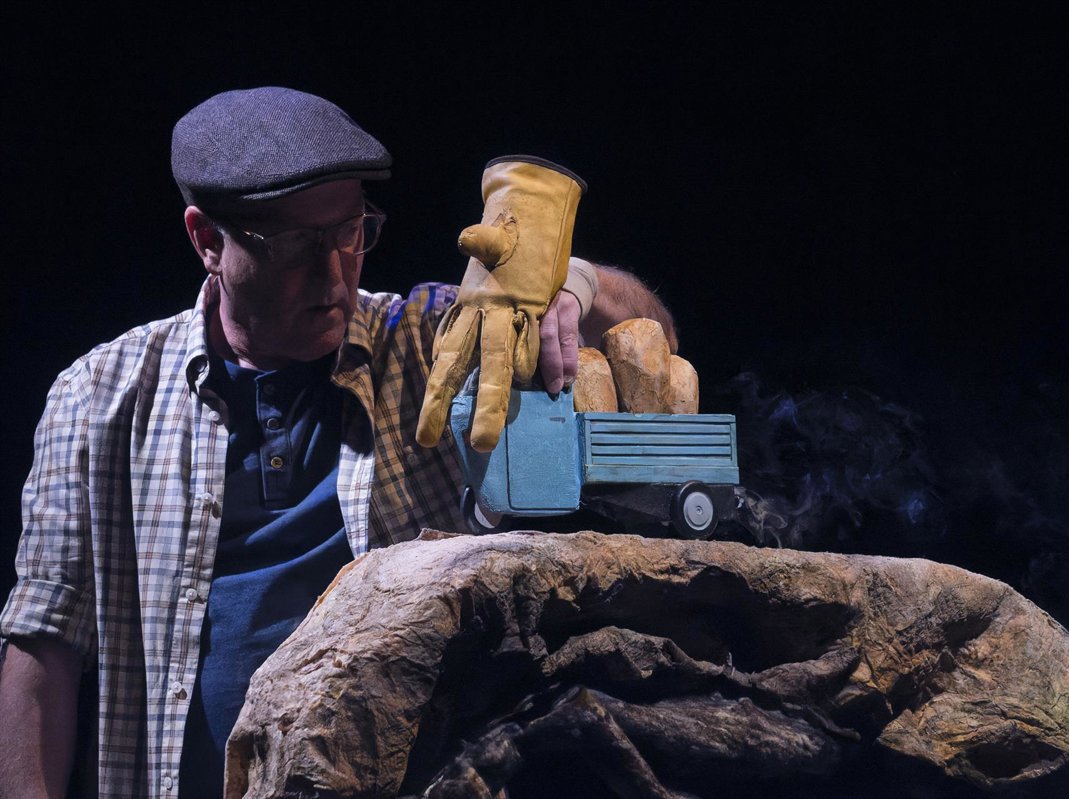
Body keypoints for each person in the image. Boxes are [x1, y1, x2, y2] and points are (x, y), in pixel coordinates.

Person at [0, 86, 676, 798]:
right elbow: (44, 645)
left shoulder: (428, 344)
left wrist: (571, 284)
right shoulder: (99, 395)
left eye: (352, 232)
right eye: (296, 243)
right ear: (207, 239)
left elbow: (648, 333)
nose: (334, 274)